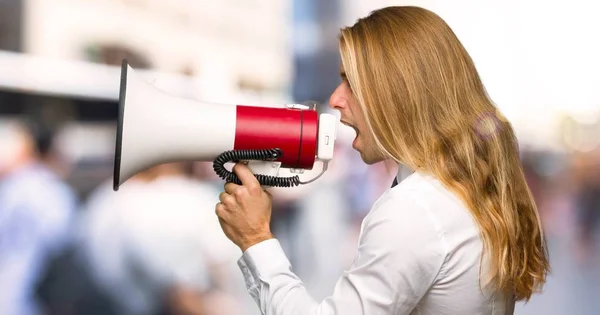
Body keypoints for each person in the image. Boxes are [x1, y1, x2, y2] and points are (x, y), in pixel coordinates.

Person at [214, 6, 551, 315]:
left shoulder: (415, 208)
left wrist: (255, 238)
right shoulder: (458, 188)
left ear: (397, 92)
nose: (336, 98)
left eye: (350, 81)